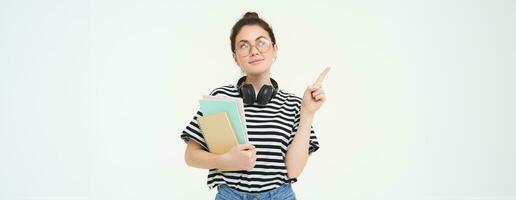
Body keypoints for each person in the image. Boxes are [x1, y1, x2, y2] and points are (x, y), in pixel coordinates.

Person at [180, 11, 329, 200]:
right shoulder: (220, 98)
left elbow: (293, 171)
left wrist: (308, 113)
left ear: (274, 49)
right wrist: (224, 160)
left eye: (261, 42)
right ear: (235, 57)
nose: (254, 51)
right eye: (244, 45)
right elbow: (191, 156)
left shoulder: (293, 104)